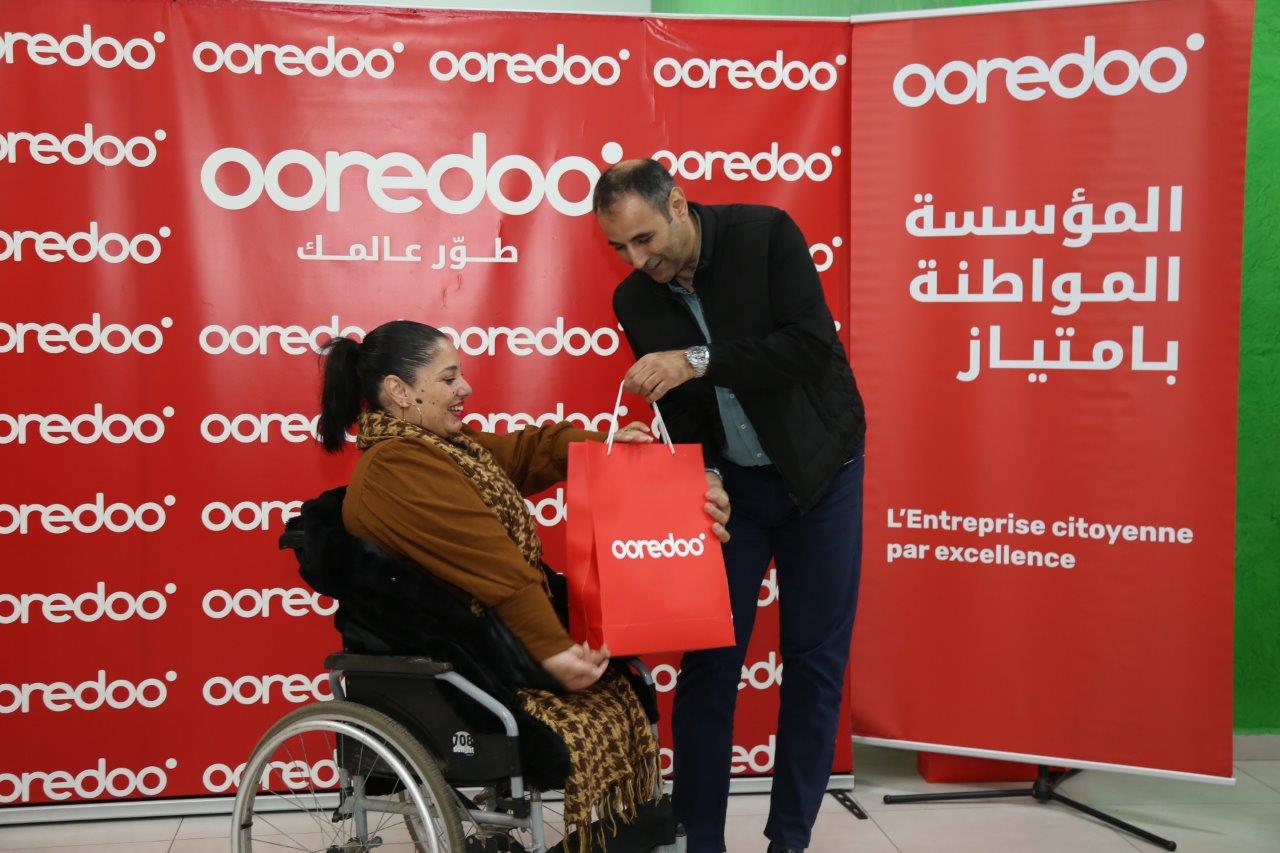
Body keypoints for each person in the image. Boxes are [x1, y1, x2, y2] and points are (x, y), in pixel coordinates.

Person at [315, 319, 730, 852]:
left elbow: (527, 452)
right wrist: (553, 650)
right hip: (457, 664)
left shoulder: (443, 448)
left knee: (621, 688)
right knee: (604, 696)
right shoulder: (398, 469)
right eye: (448, 378)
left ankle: (629, 829)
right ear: (399, 391)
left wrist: (606, 449)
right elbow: (496, 564)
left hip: (481, 642)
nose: (465, 388)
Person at [593, 160, 867, 853]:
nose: (637, 259)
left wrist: (696, 358)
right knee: (710, 663)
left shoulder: (765, 234)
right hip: (735, 494)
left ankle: (789, 840)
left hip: (820, 474)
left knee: (814, 663)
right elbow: (683, 414)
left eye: (645, 239)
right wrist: (706, 476)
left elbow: (808, 346)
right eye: (619, 247)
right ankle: (703, 840)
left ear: (678, 204)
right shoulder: (635, 300)